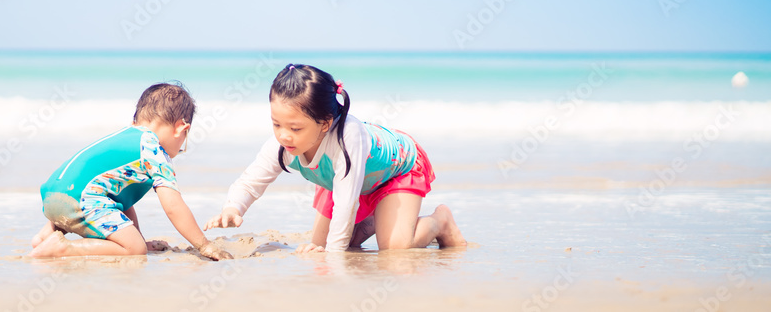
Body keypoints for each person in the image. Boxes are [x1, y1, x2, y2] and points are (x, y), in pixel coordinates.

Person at [205, 64, 466, 253]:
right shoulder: (283, 144)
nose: (284, 136)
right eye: (276, 125)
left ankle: (439, 221)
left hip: (397, 170)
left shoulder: (347, 138)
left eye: (295, 128)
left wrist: (334, 257)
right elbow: (252, 181)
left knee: (393, 250)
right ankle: (380, 216)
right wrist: (233, 208)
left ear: (325, 124)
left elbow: (345, 205)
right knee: (319, 244)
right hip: (344, 179)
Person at [30, 82, 231, 260]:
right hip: (82, 200)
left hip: (53, 198)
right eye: (183, 142)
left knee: (134, 239)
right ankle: (63, 248)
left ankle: (43, 237)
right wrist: (204, 245)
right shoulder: (154, 151)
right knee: (134, 249)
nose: (179, 148)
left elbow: (121, 201)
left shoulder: (125, 136)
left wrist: (140, 237)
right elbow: (173, 206)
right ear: (181, 128)